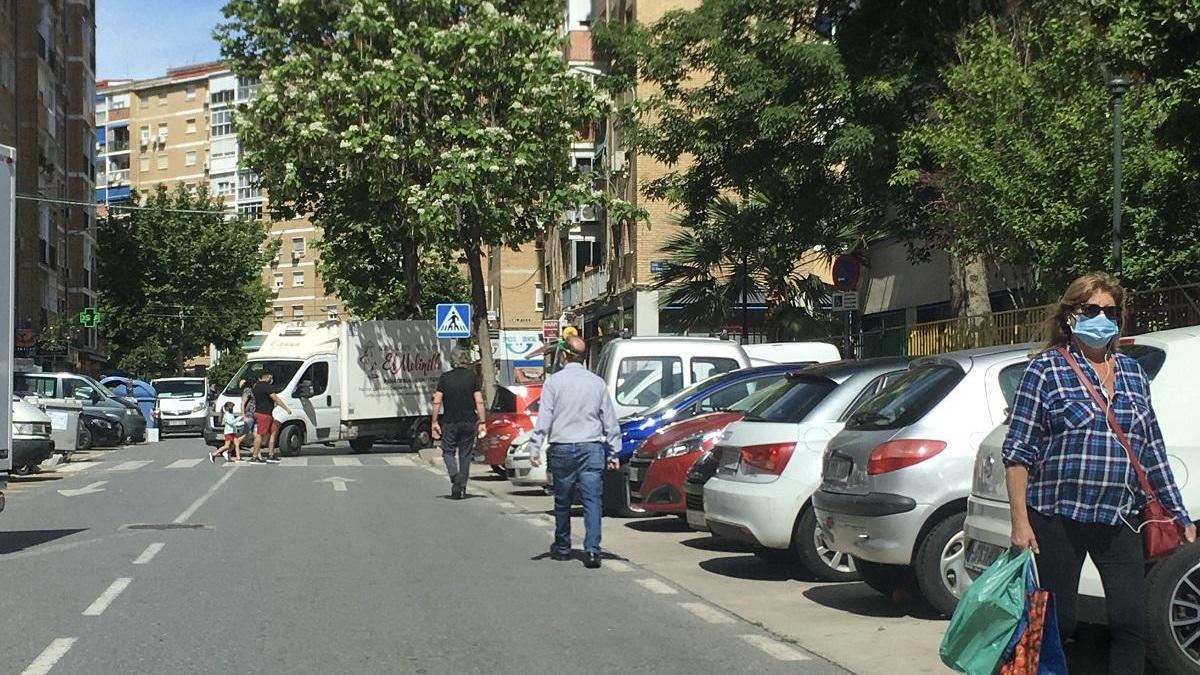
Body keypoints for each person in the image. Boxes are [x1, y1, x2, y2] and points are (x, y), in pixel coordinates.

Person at [1003, 271, 1196, 674]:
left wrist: (1178, 514)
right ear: (1071, 315)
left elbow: (1151, 449)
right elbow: (1018, 453)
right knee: (1061, 620)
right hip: (1058, 516)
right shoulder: (1045, 371)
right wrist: (1020, 522)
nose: (1102, 318)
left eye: (1111, 311)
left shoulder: (1131, 373)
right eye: (1091, 309)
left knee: (1131, 620)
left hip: (1118, 516)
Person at [528, 336, 620, 569]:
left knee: (562, 500)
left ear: (565, 355)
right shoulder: (596, 383)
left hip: (562, 448)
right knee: (592, 501)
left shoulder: (554, 382)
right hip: (591, 447)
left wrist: (535, 446)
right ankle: (591, 551)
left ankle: (562, 547)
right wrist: (614, 451)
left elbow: (545, 416)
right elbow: (608, 418)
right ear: (584, 356)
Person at [431, 349, 485, 499]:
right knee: (465, 454)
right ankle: (462, 485)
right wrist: (482, 421)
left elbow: (437, 401)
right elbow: (479, 401)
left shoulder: (445, 378)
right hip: (468, 421)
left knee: (448, 451)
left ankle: (455, 476)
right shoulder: (473, 378)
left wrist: (434, 421)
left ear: (452, 361)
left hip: (449, 421)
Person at [250, 371, 292, 464]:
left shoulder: (256, 386)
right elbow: (275, 398)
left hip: (264, 413)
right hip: (263, 414)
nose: (271, 380)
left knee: (273, 431)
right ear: (268, 377)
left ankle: (271, 455)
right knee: (259, 435)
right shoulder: (266, 386)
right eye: (271, 377)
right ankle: (255, 457)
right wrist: (286, 408)